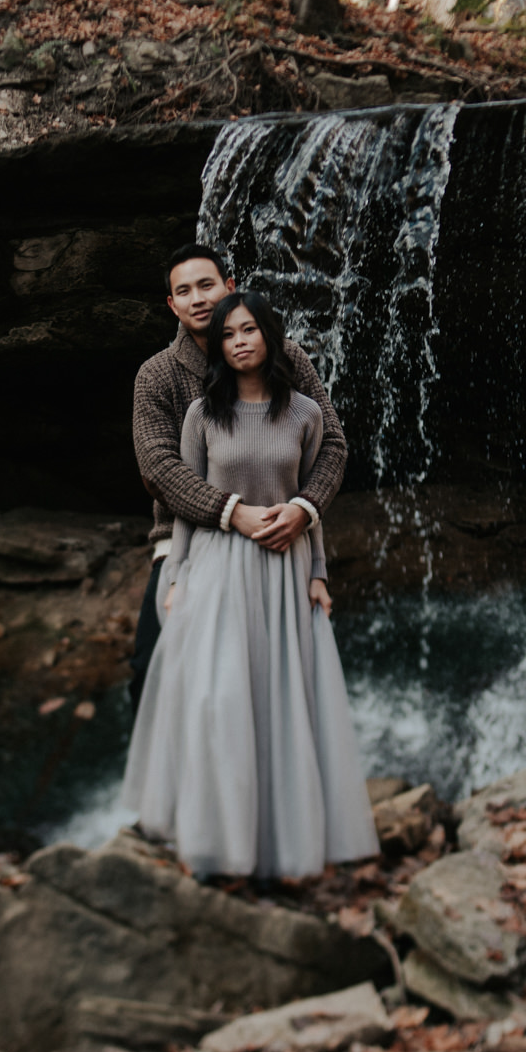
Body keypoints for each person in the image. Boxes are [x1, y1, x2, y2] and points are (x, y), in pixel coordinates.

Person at [120, 291, 378, 878]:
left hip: (284, 571)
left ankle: (277, 843)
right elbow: (182, 503)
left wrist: (318, 573)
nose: (239, 341)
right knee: (220, 699)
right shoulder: (201, 414)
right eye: (229, 334)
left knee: (279, 703)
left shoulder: (306, 414)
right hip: (216, 565)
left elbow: (312, 499)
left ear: (270, 337)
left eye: (249, 331)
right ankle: (214, 837)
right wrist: (178, 576)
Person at [129, 244, 347, 709]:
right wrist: (230, 512)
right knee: (152, 672)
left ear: (229, 287)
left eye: (206, 285)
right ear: (172, 305)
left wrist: (304, 509)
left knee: (284, 677)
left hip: (283, 535)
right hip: (188, 538)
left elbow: (330, 443)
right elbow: (159, 468)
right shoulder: (157, 375)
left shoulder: (286, 357)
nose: (197, 298)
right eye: (183, 291)